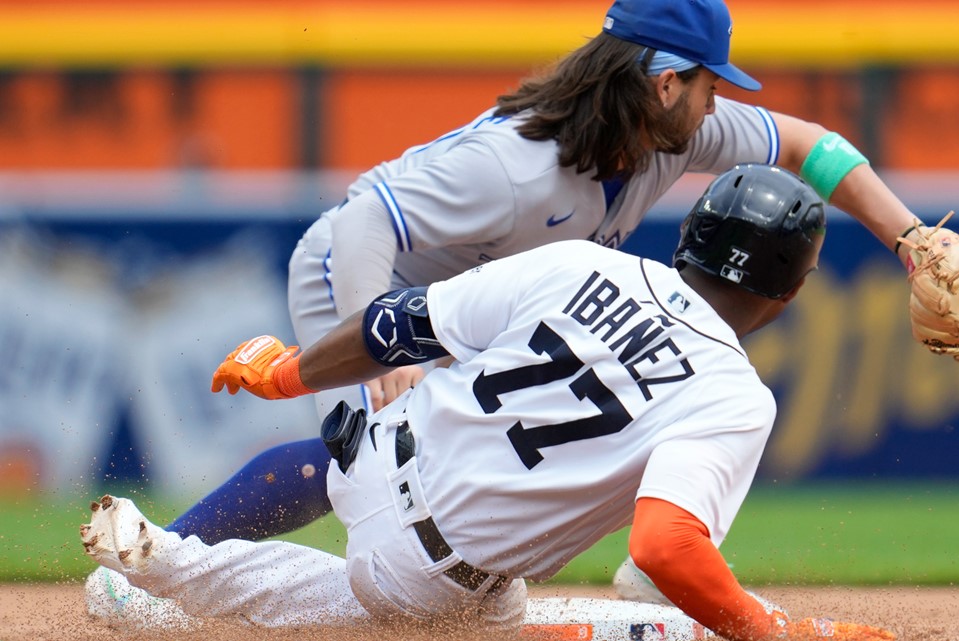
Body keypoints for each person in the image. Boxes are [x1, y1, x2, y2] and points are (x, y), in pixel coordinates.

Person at [86, 0, 936, 622]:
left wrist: (912, 244)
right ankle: (148, 573)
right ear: (666, 81)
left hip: (469, 301)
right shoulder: (512, 165)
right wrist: (382, 343)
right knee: (355, 456)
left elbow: (811, 148)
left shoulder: (676, 135)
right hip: (364, 278)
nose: (722, 104)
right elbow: (360, 220)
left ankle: (176, 569)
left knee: (462, 471)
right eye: (712, 85)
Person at [82, 164, 896, 641]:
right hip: (433, 576)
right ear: (789, 290)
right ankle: (177, 569)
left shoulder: (584, 263)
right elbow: (662, 549)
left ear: (692, 234)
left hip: (371, 448)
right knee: (481, 620)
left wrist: (292, 371)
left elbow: (396, 324)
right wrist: (761, 630)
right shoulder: (733, 395)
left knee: (342, 489)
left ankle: (170, 564)